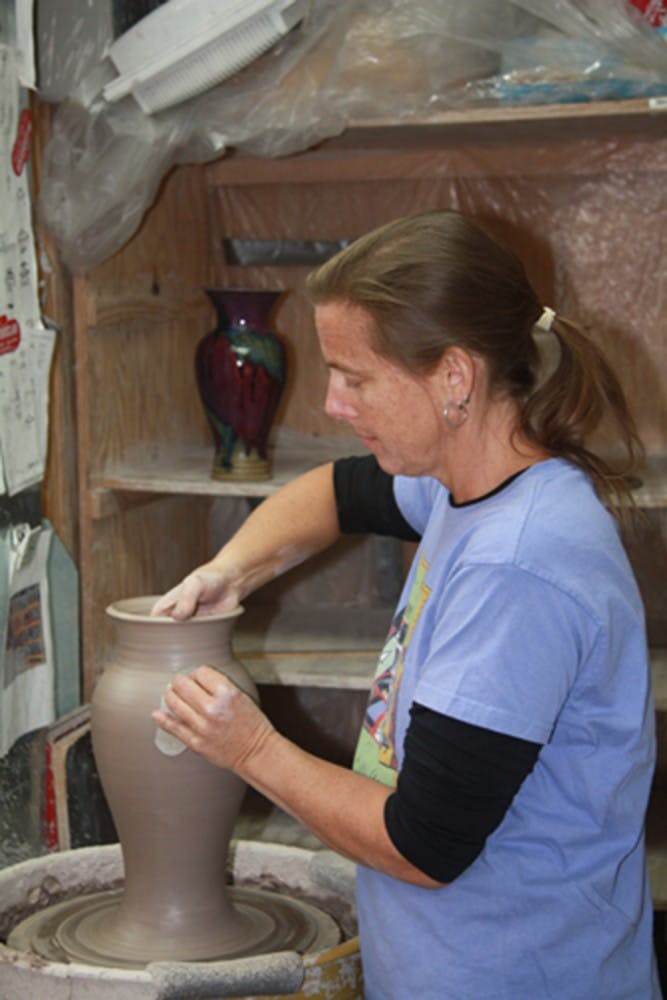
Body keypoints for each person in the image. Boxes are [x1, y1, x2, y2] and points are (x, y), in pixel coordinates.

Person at [151, 210, 660, 998]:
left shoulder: (518, 568)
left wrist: (249, 749)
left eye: (355, 377)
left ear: (453, 378)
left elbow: (423, 846)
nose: (332, 403)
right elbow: (336, 492)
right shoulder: (471, 485)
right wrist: (231, 572)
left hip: (519, 978)